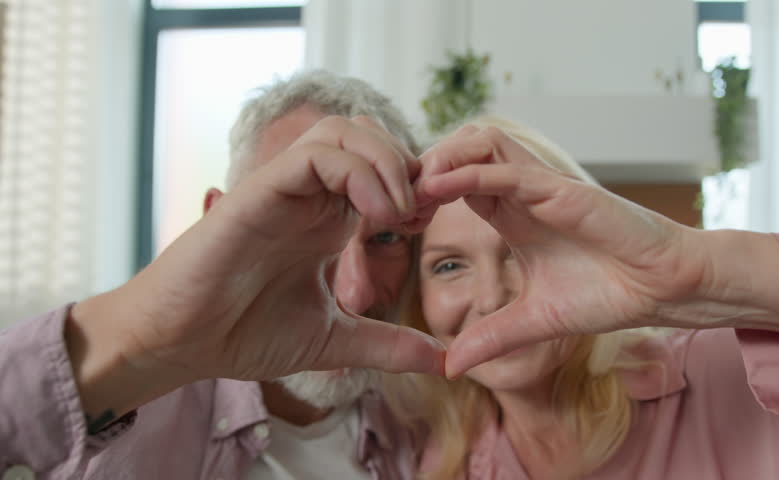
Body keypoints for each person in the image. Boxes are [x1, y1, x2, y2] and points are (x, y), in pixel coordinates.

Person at [0, 70, 445, 480]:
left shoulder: (428, 423)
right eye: (306, 229)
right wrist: (137, 347)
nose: (357, 292)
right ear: (216, 221)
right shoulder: (123, 426)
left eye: (387, 239)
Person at [389, 115, 779, 479]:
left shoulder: (727, 374)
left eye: (518, 254)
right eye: (448, 265)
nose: (491, 297)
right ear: (419, 303)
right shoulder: (435, 462)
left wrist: (692, 267)